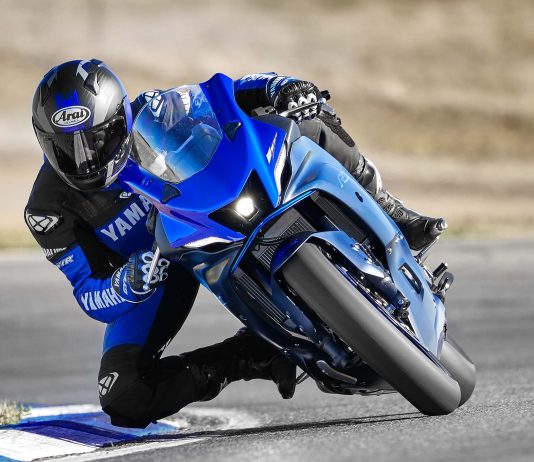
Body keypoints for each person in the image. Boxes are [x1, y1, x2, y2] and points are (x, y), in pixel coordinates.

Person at [26, 60, 445, 429]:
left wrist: (279, 87)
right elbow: (88, 292)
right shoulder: (46, 210)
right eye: (66, 148)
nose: (85, 158)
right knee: (123, 395)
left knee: (306, 120)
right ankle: (249, 354)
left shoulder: (154, 111)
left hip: (212, 219)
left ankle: (392, 213)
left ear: (121, 117)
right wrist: (127, 283)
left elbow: (223, 94)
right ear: (44, 142)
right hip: (155, 271)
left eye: (97, 138)